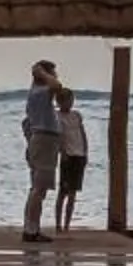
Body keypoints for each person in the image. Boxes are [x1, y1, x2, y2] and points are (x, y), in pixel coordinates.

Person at [19, 60, 63, 243]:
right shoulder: (42, 92)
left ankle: (32, 227)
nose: (56, 76)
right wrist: (44, 74)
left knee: (38, 189)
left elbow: (26, 123)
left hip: (41, 140)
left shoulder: (33, 94)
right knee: (39, 189)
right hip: (44, 140)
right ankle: (31, 230)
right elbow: (58, 86)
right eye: (54, 73)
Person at [52, 81, 89, 234]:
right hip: (68, 155)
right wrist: (63, 152)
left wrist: (86, 151)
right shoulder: (57, 116)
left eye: (72, 100)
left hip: (79, 154)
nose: (70, 103)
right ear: (60, 102)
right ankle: (58, 224)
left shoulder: (76, 115)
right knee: (63, 191)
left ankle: (67, 224)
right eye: (67, 100)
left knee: (73, 192)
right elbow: (59, 137)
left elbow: (82, 133)